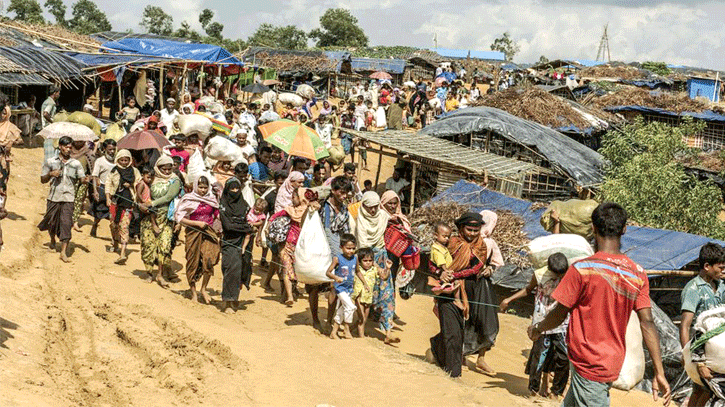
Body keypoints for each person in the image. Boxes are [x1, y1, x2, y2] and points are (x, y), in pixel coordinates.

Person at [528, 202, 671, 407]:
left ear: (593, 228)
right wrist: (659, 371)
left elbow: (559, 313)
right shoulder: (637, 274)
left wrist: (538, 328)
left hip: (589, 362)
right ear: (624, 229)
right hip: (609, 360)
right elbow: (647, 323)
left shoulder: (582, 269)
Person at [501, 253, 570, 399]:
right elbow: (527, 289)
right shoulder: (539, 275)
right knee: (539, 357)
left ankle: (556, 392)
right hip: (542, 322)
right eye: (556, 274)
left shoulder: (570, 276)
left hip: (561, 322)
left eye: (561, 274)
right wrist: (509, 299)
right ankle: (533, 390)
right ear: (549, 269)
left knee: (563, 358)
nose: (559, 277)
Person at [441, 212, 498, 376]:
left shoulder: (483, 246)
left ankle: (468, 357)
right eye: (469, 230)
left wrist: (457, 274)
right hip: (452, 287)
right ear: (460, 228)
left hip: (475, 286)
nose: (472, 234)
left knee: (474, 320)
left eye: (476, 230)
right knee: (455, 324)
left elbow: (476, 268)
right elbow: (442, 261)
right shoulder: (452, 243)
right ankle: (451, 357)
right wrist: (444, 274)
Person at [679, 242, 725, 406]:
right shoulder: (694, 289)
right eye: (720, 267)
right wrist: (688, 354)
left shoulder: (721, 287)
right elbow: (685, 324)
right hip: (700, 350)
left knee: (705, 389)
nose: (723, 270)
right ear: (707, 266)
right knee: (703, 388)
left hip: (717, 350)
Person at [352, 191, 398, 345]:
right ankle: (357, 325)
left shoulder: (383, 217)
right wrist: (374, 265)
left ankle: (388, 331)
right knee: (363, 295)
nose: (372, 210)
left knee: (387, 293)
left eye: (375, 207)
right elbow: (363, 245)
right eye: (369, 207)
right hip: (364, 260)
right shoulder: (359, 219)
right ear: (363, 205)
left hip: (382, 257)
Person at [428, 221, 470, 377]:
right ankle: (453, 371)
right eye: (444, 236)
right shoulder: (437, 249)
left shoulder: (449, 246)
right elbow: (438, 265)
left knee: (458, 331)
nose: (446, 239)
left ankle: (438, 349)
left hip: (460, 284)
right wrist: (444, 272)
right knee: (452, 332)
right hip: (446, 283)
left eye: (448, 236)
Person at [38, 136, 86, 263]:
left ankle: (63, 252)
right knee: (51, 222)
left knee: (66, 223)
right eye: (66, 147)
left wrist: (85, 180)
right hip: (54, 196)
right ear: (60, 147)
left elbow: (82, 179)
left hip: (69, 197)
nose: (68, 150)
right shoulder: (50, 161)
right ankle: (53, 240)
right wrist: (50, 174)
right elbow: (42, 179)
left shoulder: (75, 164)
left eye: (70, 147)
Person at [175, 176, 221, 304]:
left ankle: (204, 289)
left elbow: (217, 214)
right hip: (193, 233)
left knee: (210, 259)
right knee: (192, 261)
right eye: (200, 187)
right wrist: (196, 223)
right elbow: (180, 218)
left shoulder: (211, 199)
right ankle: (193, 292)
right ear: (196, 187)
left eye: (205, 187)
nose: (203, 190)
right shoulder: (189, 198)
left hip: (209, 233)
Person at [269, 187, 318, 306]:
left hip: (301, 247)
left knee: (296, 270)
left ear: (300, 197)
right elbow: (274, 217)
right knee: (286, 268)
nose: (292, 199)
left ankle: (288, 293)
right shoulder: (290, 210)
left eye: (294, 197)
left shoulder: (310, 211)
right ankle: (289, 296)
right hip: (287, 244)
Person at [138, 155, 182, 288]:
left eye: (169, 169)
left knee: (164, 245)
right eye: (164, 169)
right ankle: (149, 272)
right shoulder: (152, 178)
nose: (167, 172)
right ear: (158, 167)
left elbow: (169, 196)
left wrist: (152, 203)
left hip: (166, 217)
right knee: (148, 245)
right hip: (149, 217)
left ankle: (160, 274)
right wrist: (142, 204)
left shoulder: (175, 180)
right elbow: (142, 191)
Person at [218, 177, 254, 313]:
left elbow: (252, 220)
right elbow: (228, 225)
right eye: (232, 189)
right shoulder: (223, 205)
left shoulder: (244, 205)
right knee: (230, 269)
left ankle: (235, 298)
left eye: (237, 188)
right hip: (229, 241)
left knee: (242, 269)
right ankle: (227, 301)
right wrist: (245, 227)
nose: (235, 191)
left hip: (244, 241)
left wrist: (246, 228)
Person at [105, 149, 140, 265]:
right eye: (122, 160)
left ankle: (123, 253)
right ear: (118, 160)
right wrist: (108, 198)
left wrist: (131, 185)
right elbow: (108, 183)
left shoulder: (134, 171)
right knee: (113, 224)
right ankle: (115, 243)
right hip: (115, 202)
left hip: (128, 203)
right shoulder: (114, 171)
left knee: (124, 226)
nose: (124, 162)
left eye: (126, 160)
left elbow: (139, 183)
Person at [326, 233, 358, 340]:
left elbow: (358, 272)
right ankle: (346, 329)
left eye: (353, 248)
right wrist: (336, 278)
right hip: (340, 288)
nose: (351, 251)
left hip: (349, 288)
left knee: (341, 310)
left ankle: (334, 332)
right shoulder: (337, 259)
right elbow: (328, 272)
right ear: (341, 247)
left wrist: (365, 284)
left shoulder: (355, 259)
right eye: (348, 248)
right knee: (351, 307)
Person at [89, 139, 116, 237]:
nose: (112, 152)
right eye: (109, 149)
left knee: (113, 213)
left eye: (113, 149)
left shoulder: (118, 161)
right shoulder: (100, 161)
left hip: (114, 190)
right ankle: (95, 224)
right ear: (104, 149)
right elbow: (94, 176)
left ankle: (114, 237)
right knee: (100, 211)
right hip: (103, 188)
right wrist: (95, 191)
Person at [352, 247, 377, 338]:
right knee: (362, 317)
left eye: (370, 260)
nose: (368, 263)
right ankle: (361, 337)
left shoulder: (374, 270)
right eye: (365, 260)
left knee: (364, 319)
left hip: (368, 297)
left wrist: (388, 268)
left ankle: (350, 329)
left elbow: (383, 276)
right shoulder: (357, 270)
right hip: (359, 296)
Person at [70, 140, 94, 232]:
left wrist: (90, 177)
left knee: (79, 200)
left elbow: (92, 167)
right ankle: (67, 219)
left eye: (81, 141)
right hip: (71, 179)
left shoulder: (87, 152)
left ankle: (75, 221)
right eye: (76, 141)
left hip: (83, 180)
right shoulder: (69, 152)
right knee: (70, 199)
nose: (78, 143)